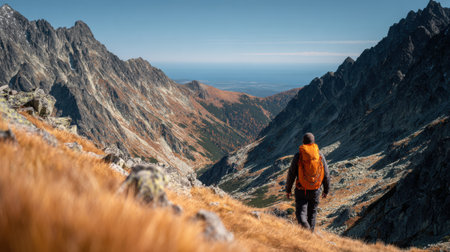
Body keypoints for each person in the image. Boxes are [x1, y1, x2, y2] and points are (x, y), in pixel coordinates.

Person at [285, 132, 330, 232]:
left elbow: (291, 174)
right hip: (315, 190)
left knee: (301, 214)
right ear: (313, 142)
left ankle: (306, 232)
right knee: (312, 214)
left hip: (301, 189)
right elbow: (326, 174)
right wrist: (326, 190)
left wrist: (288, 190)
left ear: (303, 142)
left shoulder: (299, 155)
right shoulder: (319, 155)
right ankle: (310, 235)